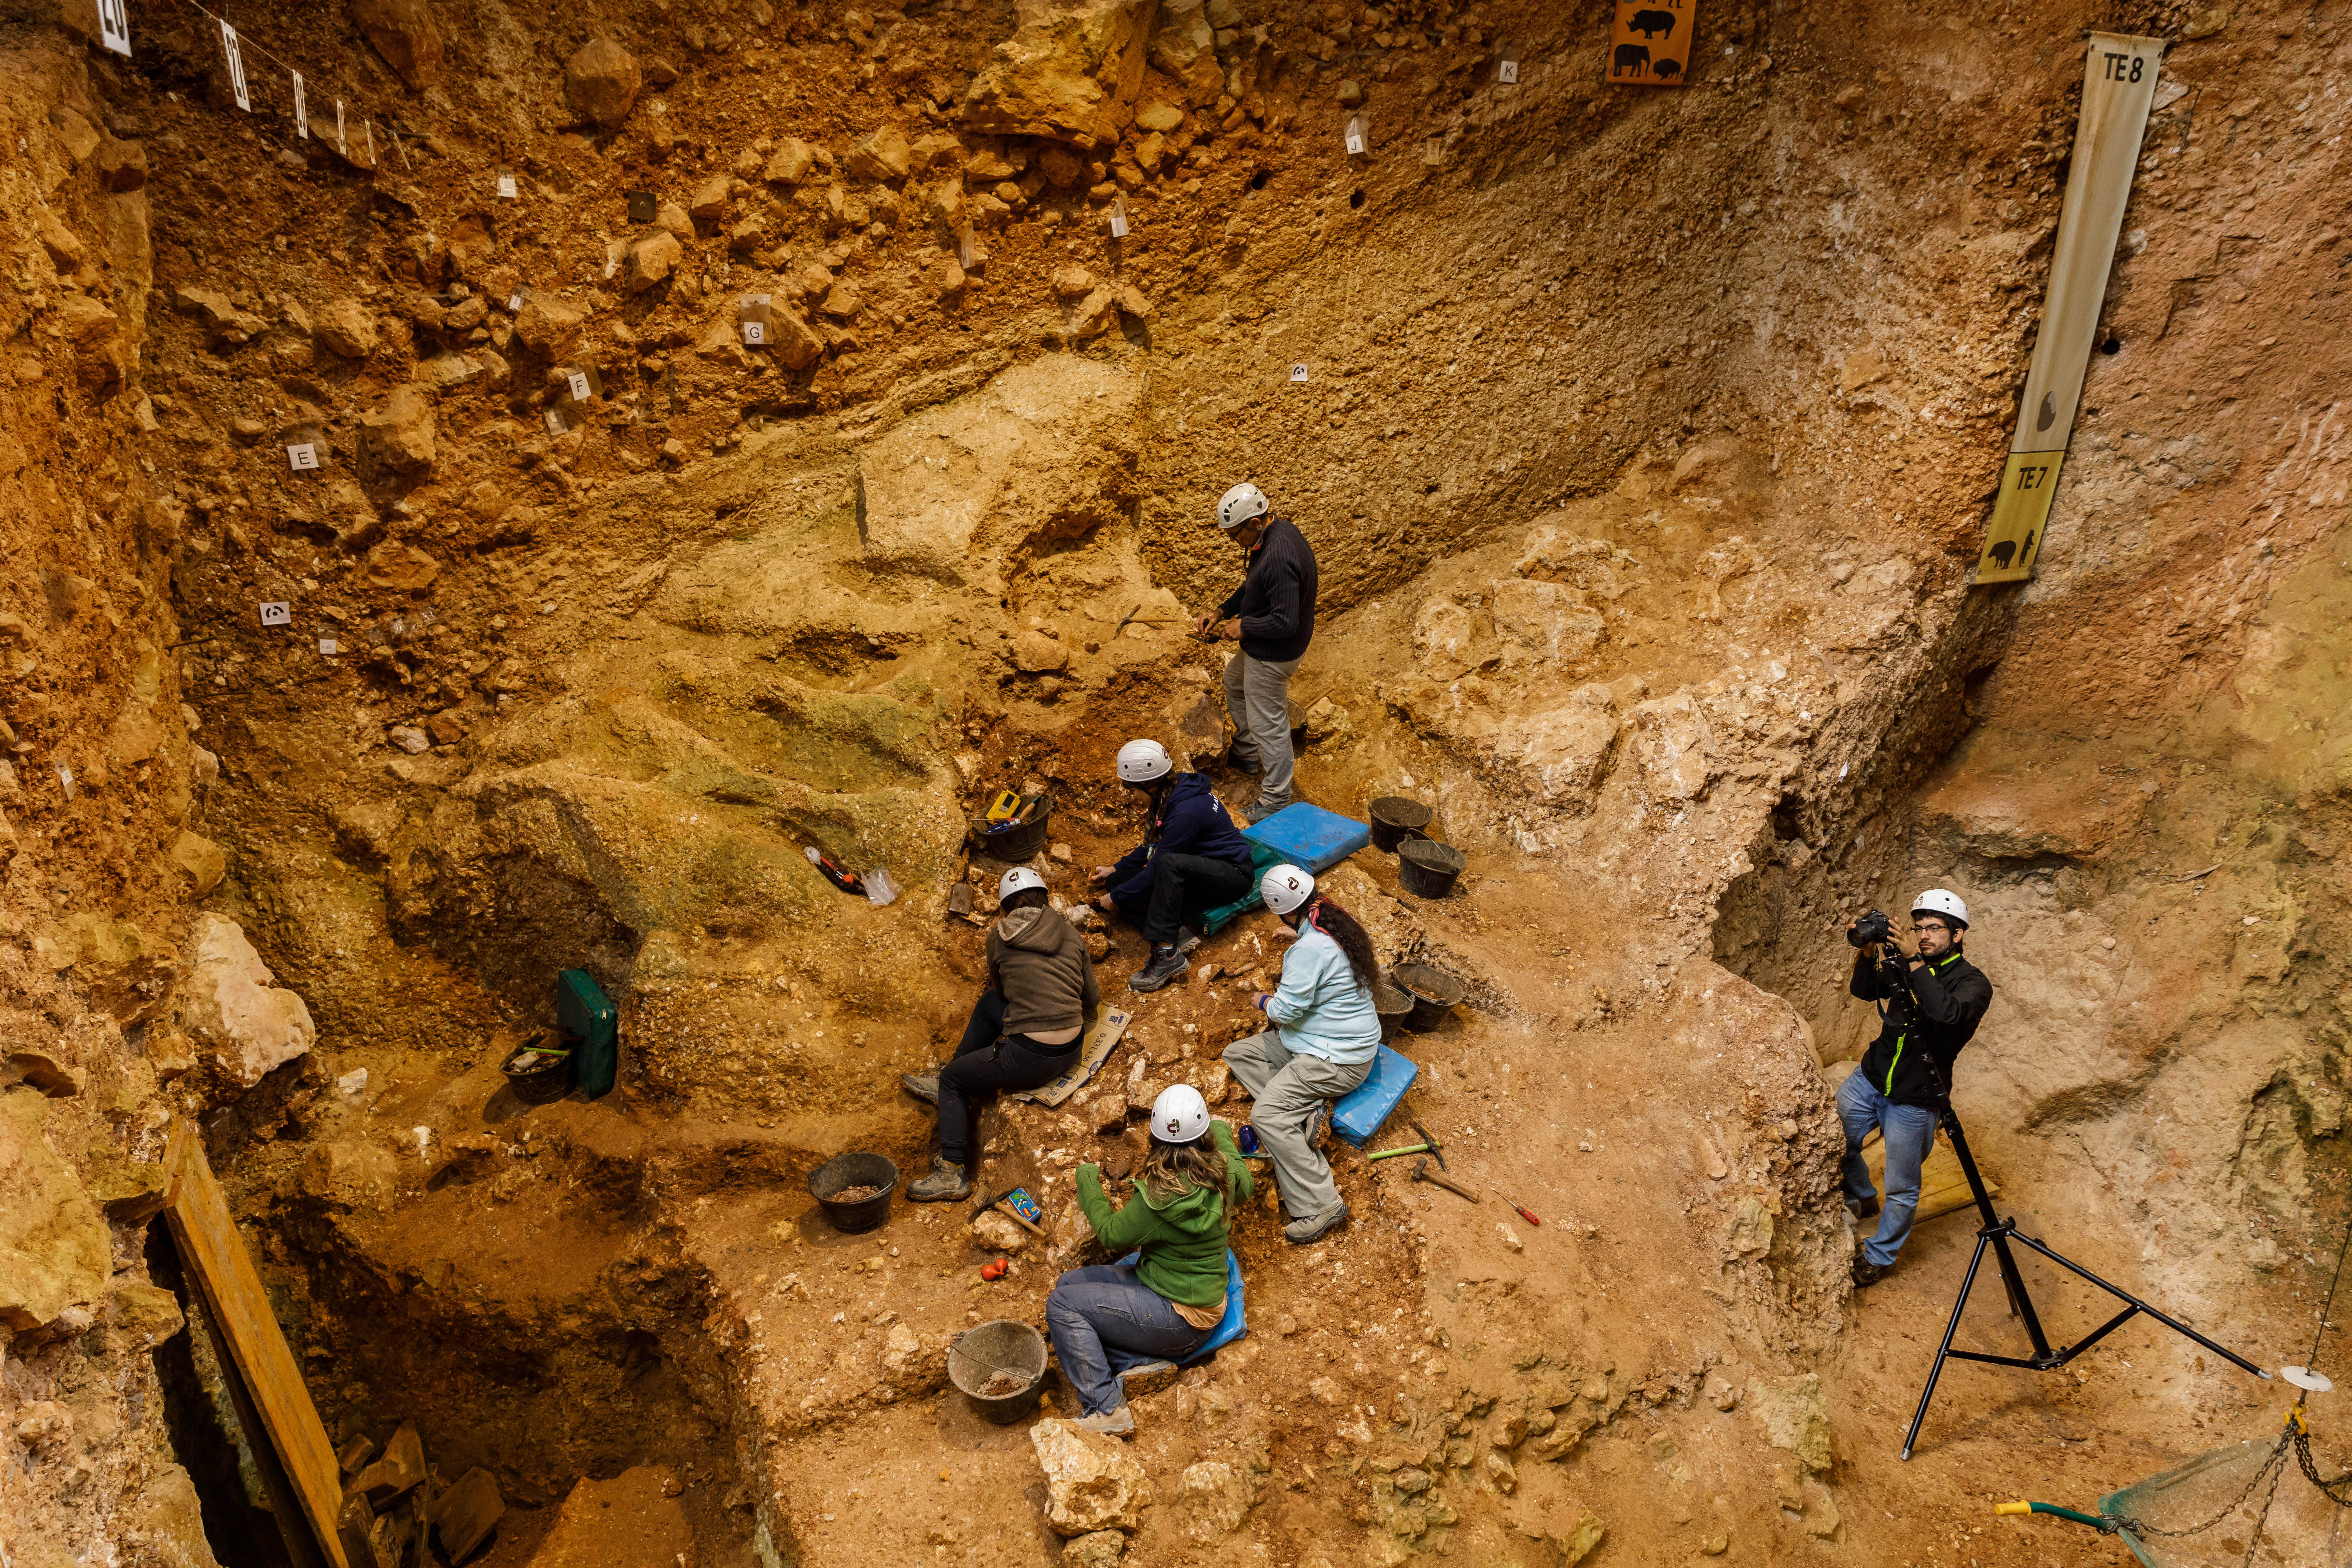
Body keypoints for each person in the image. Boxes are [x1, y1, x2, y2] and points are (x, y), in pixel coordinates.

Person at [1046, 1085, 1251, 1435]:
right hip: (1182, 1295)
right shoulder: (1224, 1173)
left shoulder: (1157, 1197)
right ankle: (1140, 1362)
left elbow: (1110, 1234)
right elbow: (1245, 1184)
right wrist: (1220, 1131)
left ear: (1155, 1139)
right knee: (1070, 1285)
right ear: (1203, 1136)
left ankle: (1106, 1407)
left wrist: (1087, 1180)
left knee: (1063, 1305)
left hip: (1183, 1320)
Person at [901, 866, 1099, 1201]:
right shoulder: (1070, 932)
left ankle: (951, 1173)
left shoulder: (999, 937)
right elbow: (1091, 999)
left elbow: (1005, 990)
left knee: (953, 1080)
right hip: (1073, 1048)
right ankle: (958, 1066)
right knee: (989, 1004)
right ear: (1045, 899)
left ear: (1006, 908)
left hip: (1031, 1058)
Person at [1840, 889, 1994, 1288]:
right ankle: (1862, 1195)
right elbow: (1865, 990)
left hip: (1917, 1097)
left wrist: (1913, 962)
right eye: (1919, 927)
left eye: (1934, 928)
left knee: (1902, 1188)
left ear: (1958, 935)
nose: (1923, 935)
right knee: (1834, 1141)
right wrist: (1867, 952)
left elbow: (1947, 1014)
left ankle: (1879, 1255)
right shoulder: (1907, 963)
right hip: (1872, 1077)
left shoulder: (1973, 983)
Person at [1222, 864, 1383, 1245]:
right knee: (1239, 1053)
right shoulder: (1332, 919)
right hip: (1329, 1042)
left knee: (1266, 1116)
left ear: (1282, 909)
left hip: (1338, 1060)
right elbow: (1320, 956)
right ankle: (1309, 1113)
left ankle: (1322, 1204)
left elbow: (1285, 1012)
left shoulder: (1307, 952)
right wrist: (1299, 936)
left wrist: (1262, 999)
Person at [1087, 738, 1256, 994]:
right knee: (1117, 881)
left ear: (1149, 785)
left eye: (1133, 791)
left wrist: (1115, 898)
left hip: (1232, 874)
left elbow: (1159, 864)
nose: (1133, 797)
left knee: (1163, 867)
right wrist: (1115, 869)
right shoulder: (1173, 791)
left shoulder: (1185, 811)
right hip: (1197, 869)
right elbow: (1154, 846)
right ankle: (1178, 933)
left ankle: (1167, 954)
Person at [1191, 483, 1318, 820]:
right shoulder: (1275, 534)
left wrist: (1244, 627)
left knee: (1270, 726)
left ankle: (1276, 799)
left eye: (1236, 535)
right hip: (1267, 644)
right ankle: (1247, 753)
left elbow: (1285, 621)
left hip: (1275, 652)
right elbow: (1253, 586)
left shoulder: (1279, 556)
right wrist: (1221, 611)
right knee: (1234, 681)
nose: (1234, 541)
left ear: (1255, 523)